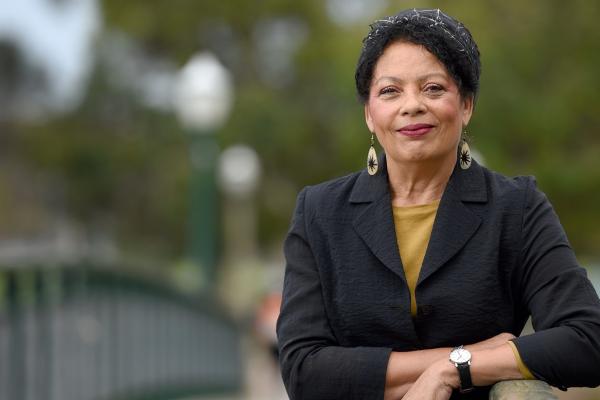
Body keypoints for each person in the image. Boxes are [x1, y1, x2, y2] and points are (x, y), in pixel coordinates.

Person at [276, 8, 600, 400]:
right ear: (369, 115)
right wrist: (469, 353)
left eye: (433, 88)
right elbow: (303, 371)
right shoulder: (319, 211)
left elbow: (587, 339)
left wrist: (456, 369)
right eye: (390, 91)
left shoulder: (517, 207)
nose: (412, 105)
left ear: (466, 105)